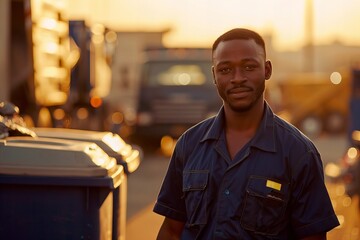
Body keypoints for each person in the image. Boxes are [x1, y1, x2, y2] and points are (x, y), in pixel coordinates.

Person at [153, 28, 339, 240]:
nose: (237, 78)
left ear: (267, 70)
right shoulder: (189, 144)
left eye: (249, 67)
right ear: (214, 75)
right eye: (225, 70)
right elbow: (171, 230)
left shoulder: (299, 153)